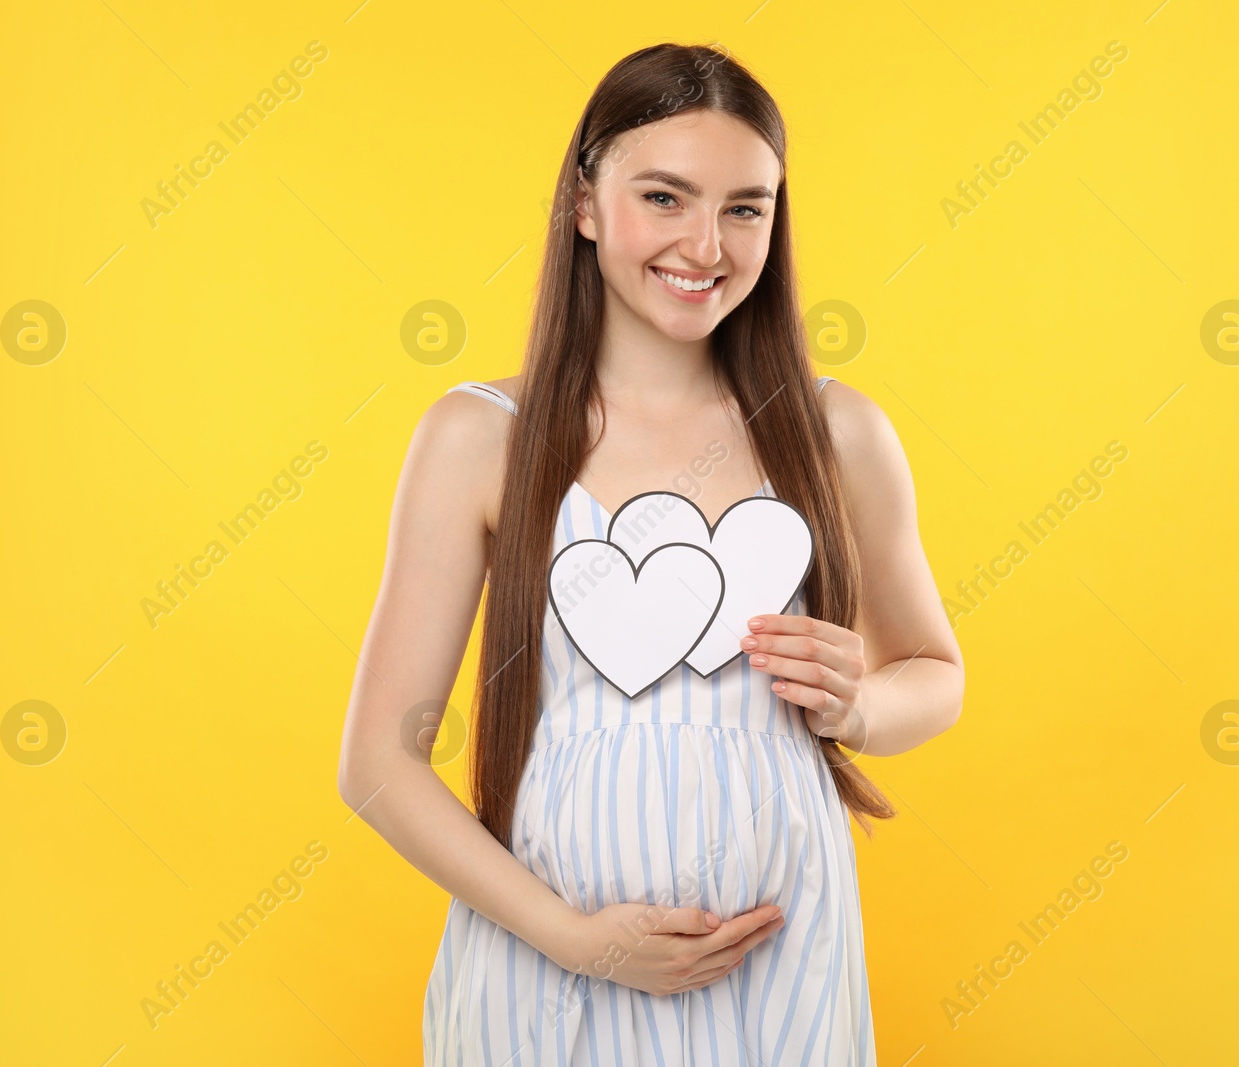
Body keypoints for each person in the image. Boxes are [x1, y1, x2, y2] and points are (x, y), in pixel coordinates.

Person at [336, 41, 965, 1065]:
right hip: (548, 972)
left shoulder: (836, 431)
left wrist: (860, 707)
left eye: (744, 207)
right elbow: (376, 763)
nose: (706, 244)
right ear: (585, 203)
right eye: (664, 197)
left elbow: (935, 672)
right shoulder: (478, 436)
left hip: (781, 968)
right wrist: (576, 942)